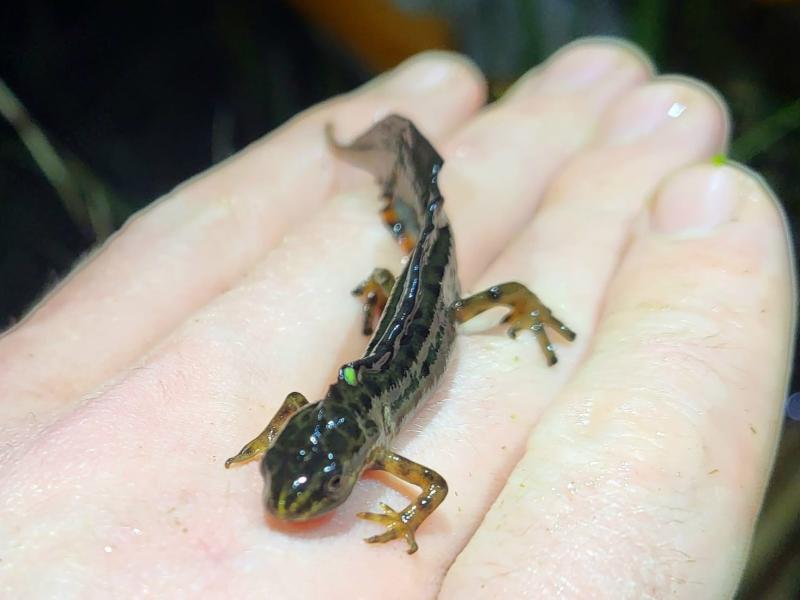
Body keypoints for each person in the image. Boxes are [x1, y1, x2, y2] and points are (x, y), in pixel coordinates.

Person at [0, 39, 794, 599]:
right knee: (400, 274)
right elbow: (298, 412)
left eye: (314, 483)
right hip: (393, 326)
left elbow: (437, 483)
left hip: (435, 312)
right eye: (291, 475)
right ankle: (396, 209)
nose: (292, 499)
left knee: (446, 286)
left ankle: (523, 300)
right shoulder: (319, 425)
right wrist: (265, 447)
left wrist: (410, 519)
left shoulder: (379, 455)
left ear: (358, 461)